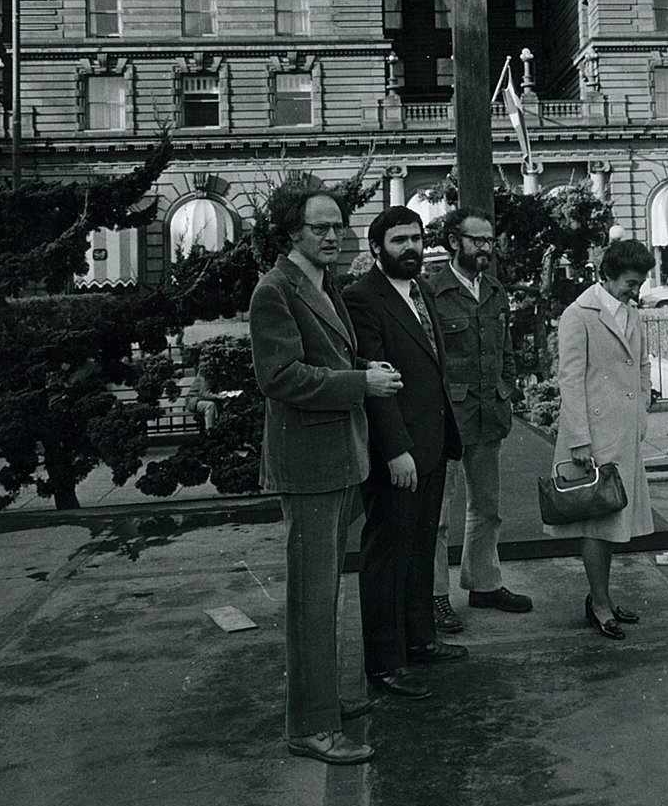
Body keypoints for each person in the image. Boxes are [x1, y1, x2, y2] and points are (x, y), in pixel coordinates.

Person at [249, 188, 403, 766]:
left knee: (327, 594)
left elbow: (329, 360)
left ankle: (323, 702)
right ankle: (310, 726)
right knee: (313, 600)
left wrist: (362, 370)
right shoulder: (275, 291)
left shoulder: (321, 283)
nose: (332, 236)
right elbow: (281, 377)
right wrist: (361, 385)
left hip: (340, 457)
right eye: (319, 228)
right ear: (292, 232)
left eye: (338, 226)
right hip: (310, 465)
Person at [344, 206, 466, 702]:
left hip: (432, 446)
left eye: (416, 238)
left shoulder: (420, 291)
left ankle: (419, 640)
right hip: (399, 455)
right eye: (399, 240)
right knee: (387, 556)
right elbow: (377, 384)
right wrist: (396, 451)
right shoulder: (363, 300)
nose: (411, 248)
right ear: (377, 248)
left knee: (419, 550)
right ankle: (385, 663)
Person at [425, 207, 532, 634]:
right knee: (438, 515)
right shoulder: (432, 292)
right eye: (477, 240)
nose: (486, 247)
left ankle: (485, 583)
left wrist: (507, 387)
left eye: (489, 240)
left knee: (487, 507)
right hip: (448, 417)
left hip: (489, 413)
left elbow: (506, 349)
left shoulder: (495, 290)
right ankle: (435, 596)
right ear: (455, 242)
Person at [544, 237, 657, 640]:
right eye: (630, 283)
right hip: (592, 434)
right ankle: (599, 603)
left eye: (640, 283)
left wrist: (641, 410)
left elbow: (642, 365)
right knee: (597, 522)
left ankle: (601, 597)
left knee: (614, 520)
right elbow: (570, 379)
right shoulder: (580, 314)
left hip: (624, 431)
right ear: (607, 277)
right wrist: (578, 437)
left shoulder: (631, 313)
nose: (636, 290)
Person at [185, 346, 219, 430]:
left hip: (200, 399)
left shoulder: (213, 374)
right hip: (193, 401)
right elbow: (204, 394)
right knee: (210, 406)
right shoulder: (203, 375)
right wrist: (219, 397)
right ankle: (210, 430)